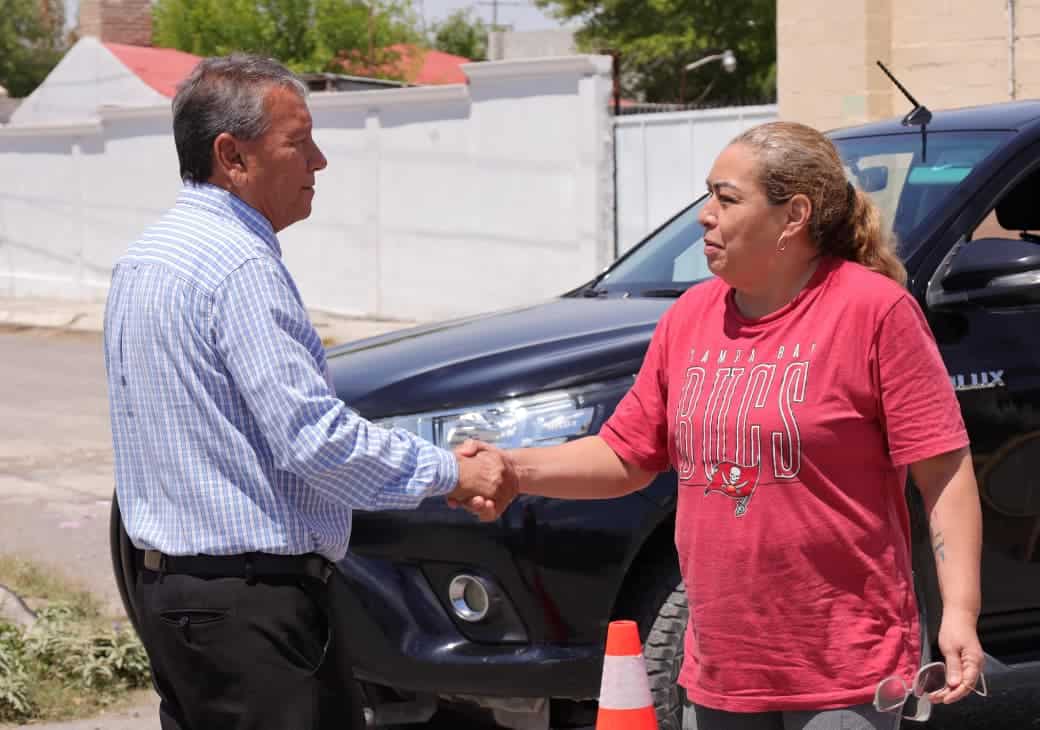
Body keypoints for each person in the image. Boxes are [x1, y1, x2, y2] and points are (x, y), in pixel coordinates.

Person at [459, 121, 984, 730]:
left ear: (794, 216)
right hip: (723, 664)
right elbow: (627, 455)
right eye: (708, 195)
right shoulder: (691, 317)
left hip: (844, 664)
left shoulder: (874, 311)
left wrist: (960, 611)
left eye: (727, 199)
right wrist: (513, 468)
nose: (705, 216)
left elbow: (943, 471)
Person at [103, 54, 515, 730]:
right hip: (250, 607)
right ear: (232, 156)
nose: (318, 162)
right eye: (299, 143)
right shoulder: (239, 267)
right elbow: (315, 441)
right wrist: (453, 472)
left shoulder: (148, 256)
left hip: (176, 599)